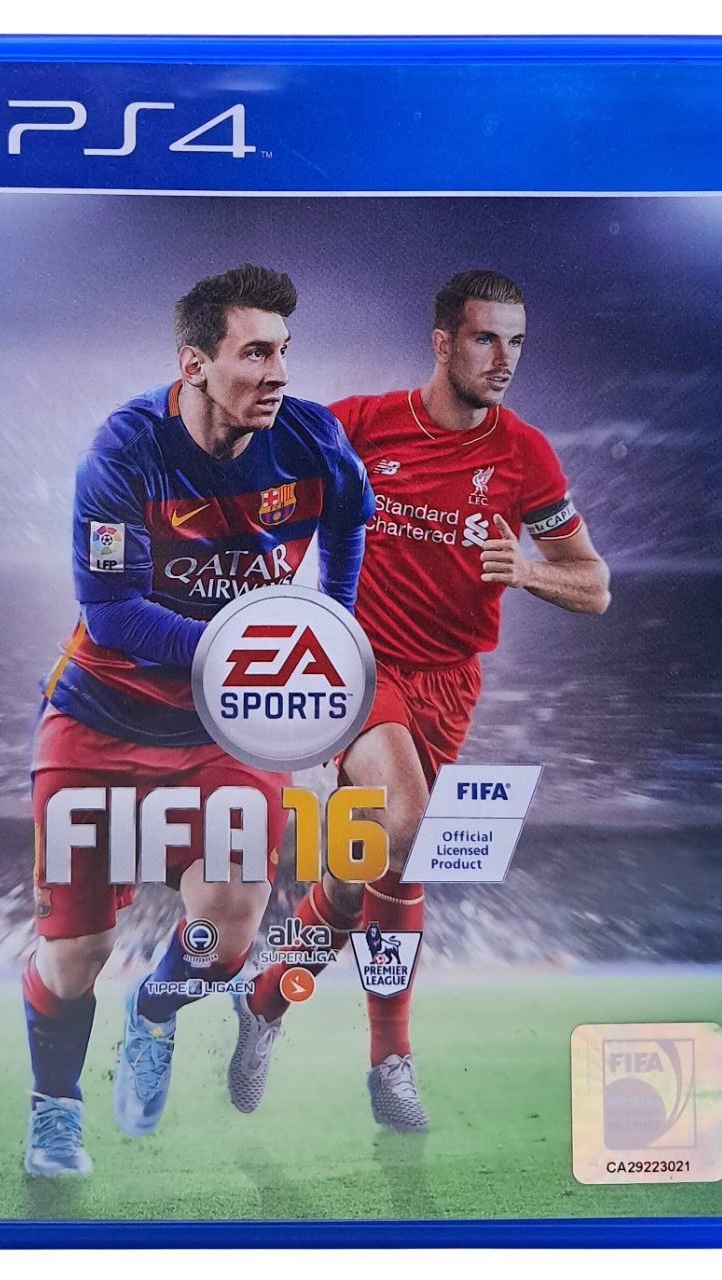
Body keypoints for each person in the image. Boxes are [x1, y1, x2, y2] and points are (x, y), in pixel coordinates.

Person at [228, 269, 611, 1132]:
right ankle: (390, 1062)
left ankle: (265, 1000)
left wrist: (529, 571)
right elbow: (259, 466)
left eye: (516, 341)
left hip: (450, 683)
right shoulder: (362, 424)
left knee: (365, 876)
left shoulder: (526, 456)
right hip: (358, 665)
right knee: (407, 821)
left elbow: (594, 585)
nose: (504, 358)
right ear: (442, 342)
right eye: (485, 338)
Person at [23, 264, 374, 1175]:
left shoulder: (314, 440)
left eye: (284, 351)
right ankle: (54, 1108)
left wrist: (330, 629)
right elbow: (112, 614)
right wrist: (249, 648)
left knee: (226, 938)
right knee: (75, 957)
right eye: (255, 353)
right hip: (100, 715)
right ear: (194, 364)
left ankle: (155, 1009)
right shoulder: (124, 451)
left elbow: (350, 521)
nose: (278, 372)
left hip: (227, 728)